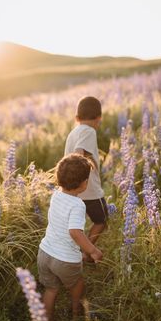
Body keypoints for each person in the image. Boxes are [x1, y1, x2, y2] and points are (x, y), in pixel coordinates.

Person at [37, 153, 103, 321]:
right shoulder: (78, 205)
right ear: (83, 184)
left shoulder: (56, 195)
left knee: (51, 289)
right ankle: (76, 312)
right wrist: (92, 251)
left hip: (44, 252)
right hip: (64, 259)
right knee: (77, 284)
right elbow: (75, 232)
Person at [64, 96, 108, 250]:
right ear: (98, 119)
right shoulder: (89, 131)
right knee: (101, 220)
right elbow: (79, 153)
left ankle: (75, 250)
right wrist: (90, 166)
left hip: (73, 189)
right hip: (89, 189)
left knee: (76, 223)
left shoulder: (72, 133)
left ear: (77, 118)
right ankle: (86, 252)